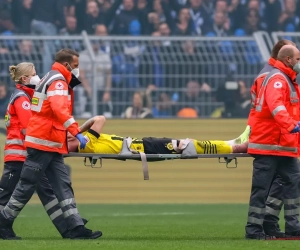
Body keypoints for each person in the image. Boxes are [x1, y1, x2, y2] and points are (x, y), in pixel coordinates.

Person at [0, 49, 102, 240]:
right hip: (43, 142)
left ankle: (75, 228)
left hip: (50, 142)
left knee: (63, 185)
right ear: (67, 65)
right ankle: (3, 221)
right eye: (77, 66)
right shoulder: (57, 82)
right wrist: (76, 133)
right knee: (26, 186)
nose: (78, 70)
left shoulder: (50, 77)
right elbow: (59, 109)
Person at [245, 45, 300, 240]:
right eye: (298, 58)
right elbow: (276, 106)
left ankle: (293, 228)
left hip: (284, 144)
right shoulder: (278, 79)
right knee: (262, 189)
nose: (299, 62)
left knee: (293, 184)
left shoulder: (287, 80)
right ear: (288, 60)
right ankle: (253, 230)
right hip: (269, 144)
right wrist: (291, 125)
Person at [67, 116, 250, 155]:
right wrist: (78, 132)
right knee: (189, 146)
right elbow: (99, 119)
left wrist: (77, 132)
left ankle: (230, 144)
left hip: (140, 144)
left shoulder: (86, 139)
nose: (70, 136)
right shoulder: (85, 142)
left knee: (189, 144)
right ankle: (234, 147)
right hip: (141, 148)